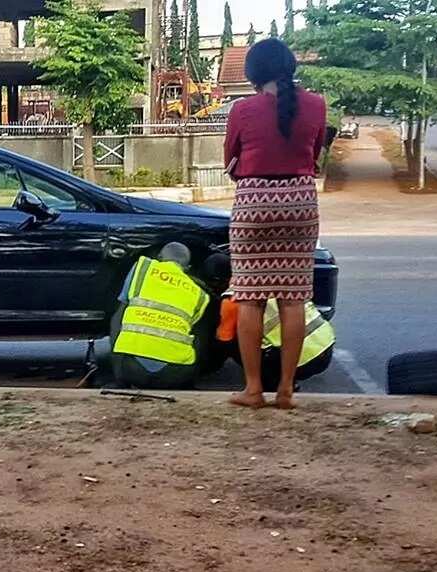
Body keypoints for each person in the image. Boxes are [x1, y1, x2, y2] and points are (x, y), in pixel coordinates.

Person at [222, 38, 327, 410]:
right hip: (299, 201)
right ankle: (285, 389)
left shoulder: (242, 109)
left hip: (253, 202)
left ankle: (253, 389)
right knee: (293, 298)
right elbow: (314, 157)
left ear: (253, 74)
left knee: (249, 297)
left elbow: (229, 158)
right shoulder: (316, 105)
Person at [110, 243, 210, 389]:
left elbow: (118, 319)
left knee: (119, 315)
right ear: (187, 269)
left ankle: (120, 381)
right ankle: (190, 385)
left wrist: (120, 376)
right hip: (176, 376)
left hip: (132, 371)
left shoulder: (143, 268)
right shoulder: (200, 294)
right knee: (197, 331)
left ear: (159, 258)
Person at [216, 292, 335, 391]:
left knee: (237, 342)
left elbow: (224, 339)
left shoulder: (233, 298)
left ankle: (270, 385)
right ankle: (289, 382)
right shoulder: (280, 281)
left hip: (302, 362)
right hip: (326, 347)